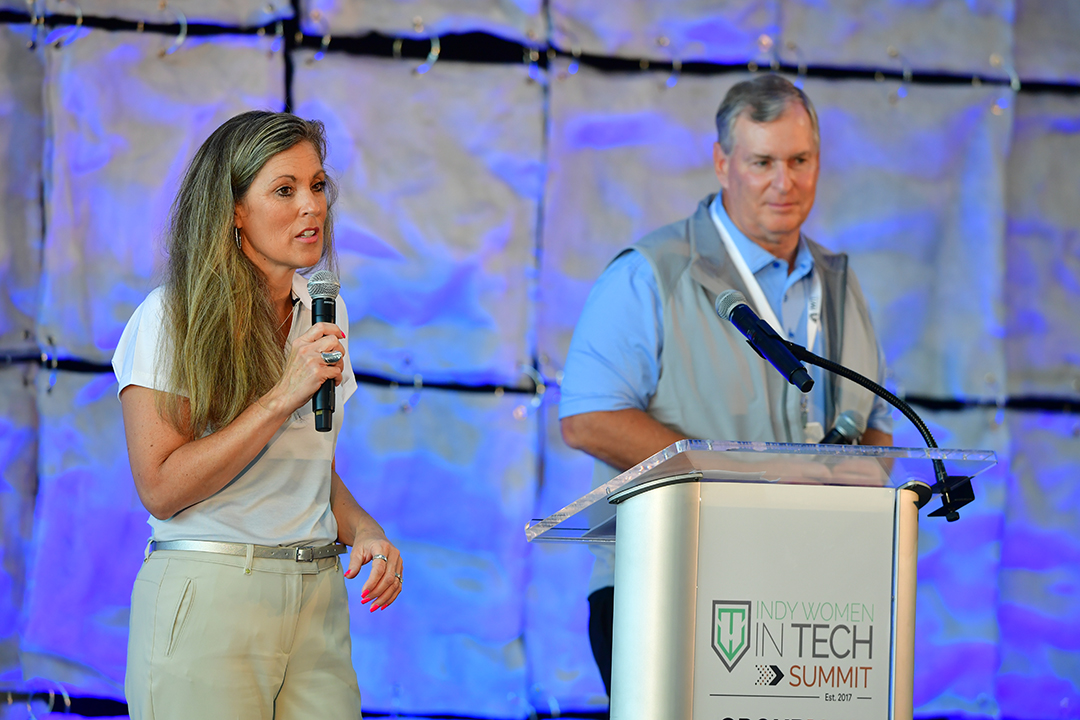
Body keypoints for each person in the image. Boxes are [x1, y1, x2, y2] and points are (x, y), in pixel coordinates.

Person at [558, 74, 893, 696]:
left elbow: (874, 419)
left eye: (799, 160)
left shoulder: (840, 284)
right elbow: (588, 420)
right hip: (673, 580)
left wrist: (868, 467)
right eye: (762, 161)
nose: (783, 182)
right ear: (722, 163)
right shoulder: (652, 272)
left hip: (814, 596)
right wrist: (748, 473)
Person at [112, 111, 402, 719]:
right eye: (285, 189)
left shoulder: (324, 311)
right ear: (234, 211)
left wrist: (366, 529)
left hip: (316, 593)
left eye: (318, 186)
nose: (312, 207)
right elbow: (162, 487)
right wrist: (280, 396)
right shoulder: (171, 317)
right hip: (213, 591)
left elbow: (303, 466)